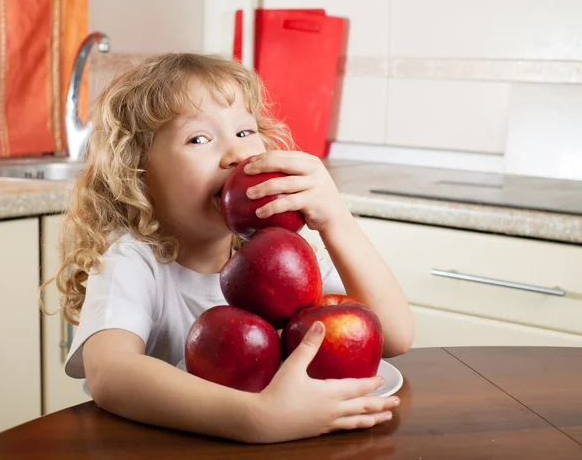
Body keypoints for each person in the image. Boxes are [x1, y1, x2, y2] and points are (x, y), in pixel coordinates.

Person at [42, 52, 414, 444]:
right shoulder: (133, 261)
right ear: (136, 175)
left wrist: (336, 219)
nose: (237, 155)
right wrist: (258, 418)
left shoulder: (280, 257)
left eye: (244, 132)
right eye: (199, 138)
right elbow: (110, 374)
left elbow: (395, 336)